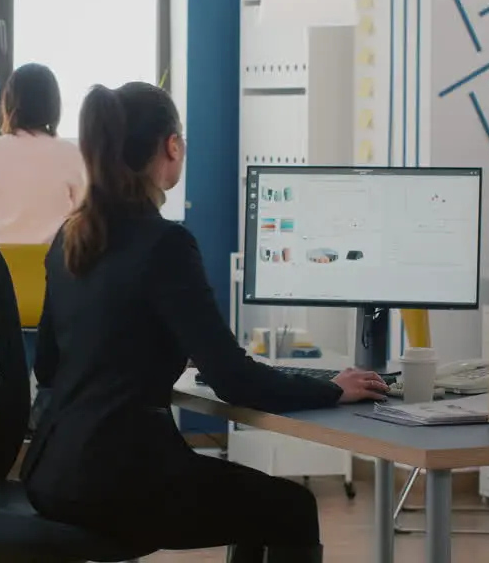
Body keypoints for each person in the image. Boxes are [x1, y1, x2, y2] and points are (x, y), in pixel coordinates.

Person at [21, 82, 388, 563]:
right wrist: (332, 388)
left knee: (258, 503)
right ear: (171, 146)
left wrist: (151, 346)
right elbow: (233, 379)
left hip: (51, 476)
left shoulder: (70, 237)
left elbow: (48, 365)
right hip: (120, 484)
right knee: (290, 508)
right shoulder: (165, 243)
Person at [0, 63, 85, 244]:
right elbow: (84, 222)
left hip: (2, 268)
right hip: (55, 267)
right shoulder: (71, 153)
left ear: (9, 102)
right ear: (53, 105)